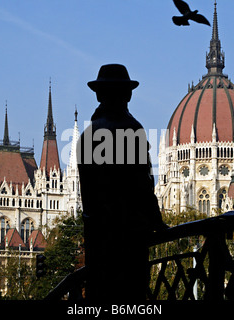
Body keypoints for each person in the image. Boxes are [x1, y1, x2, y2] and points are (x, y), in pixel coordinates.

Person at [77, 64, 168, 302]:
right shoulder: (130, 130)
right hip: (129, 240)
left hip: (98, 241)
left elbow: (88, 196)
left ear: (98, 95)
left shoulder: (88, 135)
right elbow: (143, 186)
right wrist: (158, 223)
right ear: (127, 94)